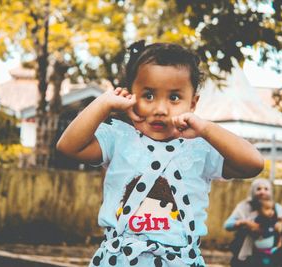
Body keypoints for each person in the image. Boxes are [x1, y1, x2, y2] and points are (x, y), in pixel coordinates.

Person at [57, 40, 264, 267]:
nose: (160, 109)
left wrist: (206, 128)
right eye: (148, 95)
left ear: (193, 103)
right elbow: (68, 147)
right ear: (129, 96)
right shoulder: (119, 138)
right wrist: (104, 103)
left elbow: (253, 164)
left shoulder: (201, 147)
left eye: (174, 97)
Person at [224, 178, 282, 267]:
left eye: (266, 189)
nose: (262, 192)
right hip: (248, 252)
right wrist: (244, 223)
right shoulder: (244, 207)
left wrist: (281, 225)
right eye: (258, 189)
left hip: (273, 253)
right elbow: (228, 225)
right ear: (253, 191)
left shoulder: (277, 208)